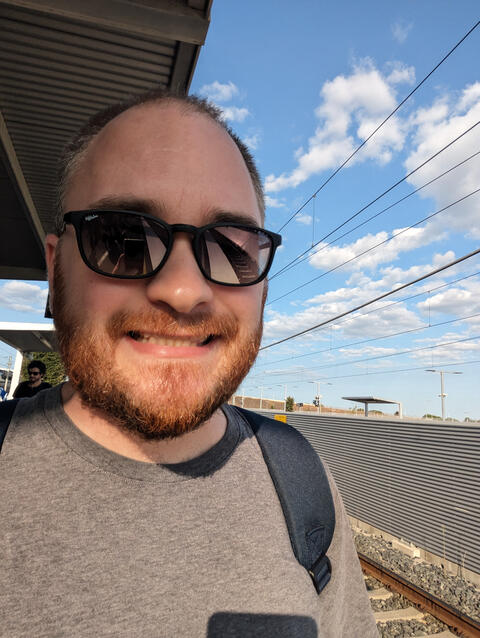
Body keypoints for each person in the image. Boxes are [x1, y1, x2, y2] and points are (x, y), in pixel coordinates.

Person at [0, 90, 377, 637]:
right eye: (123, 239)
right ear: (56, 271)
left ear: (262, 289)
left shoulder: (301, 483)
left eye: (230, 248)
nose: (182, 290)